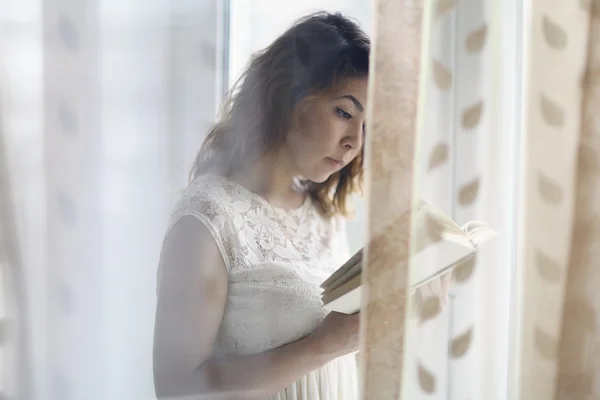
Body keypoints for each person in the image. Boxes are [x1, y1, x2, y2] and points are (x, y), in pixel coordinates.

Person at [152, 11, 449, 400]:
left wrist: (400, 318)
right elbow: (176, 388)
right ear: (289, 97)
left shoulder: (324, 218)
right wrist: (328, 344)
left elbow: (337, 364)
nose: (354, 143)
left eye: (365, 127)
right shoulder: (207, 218)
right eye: (344, 112)